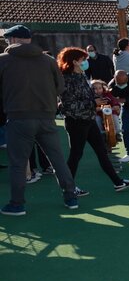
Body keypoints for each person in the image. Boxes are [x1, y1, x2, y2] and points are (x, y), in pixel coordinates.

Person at [0, 25, 79, 215]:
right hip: (47, 116)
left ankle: (17, 204)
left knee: (18, 163)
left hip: (18, 117)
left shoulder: (3, 60)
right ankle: (70, 197)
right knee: (57, 159)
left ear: (12, 39)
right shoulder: (48, 60)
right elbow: (60, 87)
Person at [56, 48, 129, 195]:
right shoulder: (66, 79)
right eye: (83, 60)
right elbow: (68, 105)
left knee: (101, 151)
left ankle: (118, 182)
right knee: (76, 155)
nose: (86, 62)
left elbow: (86, 97)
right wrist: (93, 103)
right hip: (76, 122)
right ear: (74, 62)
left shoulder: (81, 76)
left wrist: (98, 101)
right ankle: (68, 187)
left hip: (89, 119)